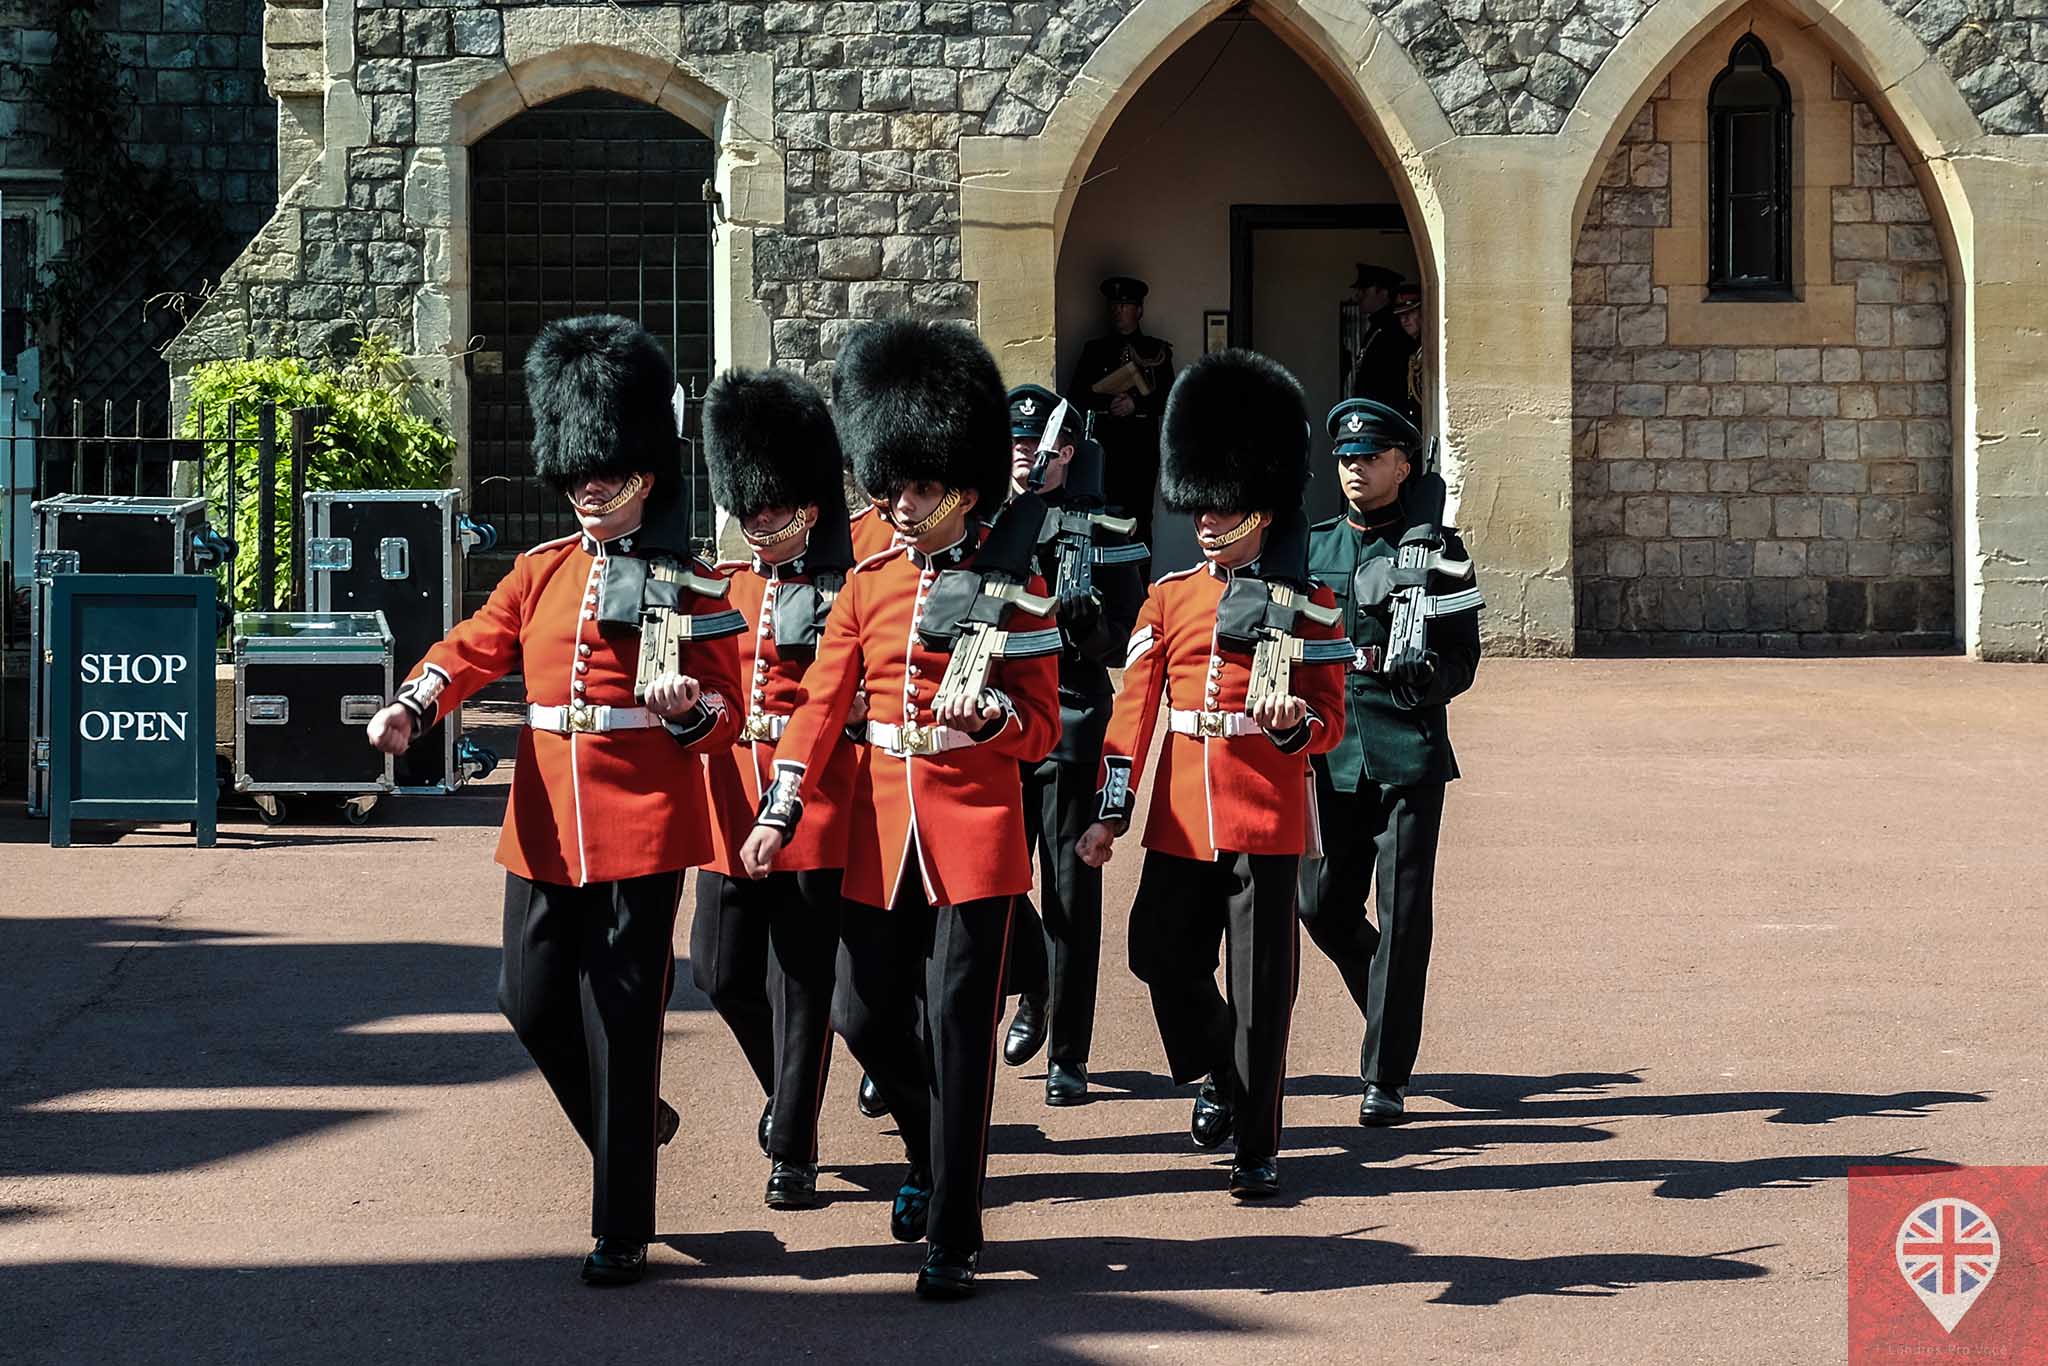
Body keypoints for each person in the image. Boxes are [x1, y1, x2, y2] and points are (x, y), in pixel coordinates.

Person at [365, 314, 744, 1286]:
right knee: (527, 1001)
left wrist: (692, 709)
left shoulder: (687, 581)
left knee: (622, 1020)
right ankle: (638, 1124)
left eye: (604, 473)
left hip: (645, 822)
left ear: (642, 478)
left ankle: (621, 1224)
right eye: (577, 473)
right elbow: (473, 648)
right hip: (541, 825)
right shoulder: (538, 573)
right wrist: (416, 699)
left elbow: (728, 709)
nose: (586, 488)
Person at [737, 319, 1061, 1301]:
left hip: (974, 836)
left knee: (960, 1033)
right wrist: (779, 808)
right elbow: (817, 708)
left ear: (964, 488)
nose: (904, 506)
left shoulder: (1019, 589)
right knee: (860, 1010)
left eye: (923, 489)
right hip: (879, 836)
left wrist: (995, 710)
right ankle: (928, 1154)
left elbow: (1043, 731)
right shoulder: (868, 586)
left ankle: (955, 1233)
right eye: (895, 489)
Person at [1076, 349, 1349, 1201]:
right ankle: (1218, 1075)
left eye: (1221, 506)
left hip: (1264, 813)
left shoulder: (1310, 604)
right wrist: (1112, 813)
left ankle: (1259, 1144)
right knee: (1157, 954)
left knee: (1264, 992)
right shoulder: (1169, 598)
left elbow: (1328, 719)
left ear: (1259, 510)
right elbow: (1134, 712)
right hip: (1181, 818)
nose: (1205, 519)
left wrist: (1296, 723)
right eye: (1199, 504)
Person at [693, 367, 862, 1208]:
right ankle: (786, 1090)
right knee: (720, 972)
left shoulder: (846, 588)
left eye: (772, 504)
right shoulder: (729, 585)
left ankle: (793, 1143)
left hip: (817, 801)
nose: (758, 520)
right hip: (732, 795)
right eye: (747, 505)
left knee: (799, 980)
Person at [1299, 398, 1482, 1127]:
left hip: (1406, 749)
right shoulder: (1310, 548)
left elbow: (1463, 657)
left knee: (1404, 918)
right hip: (1332, 753)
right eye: (1346, 458)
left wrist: (1426, 676)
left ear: (1404, 466)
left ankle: (1386, 1074)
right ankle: (1390, 997)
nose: (1354, 468)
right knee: (1320, 906)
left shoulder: (1441, 549)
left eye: (1370, 457)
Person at [997, 385, 1145, 1106]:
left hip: (1072, 714)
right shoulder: (982, 517)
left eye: (1041, 445)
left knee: (1069, 894)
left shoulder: (1110, 524)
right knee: (988, 881)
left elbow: (1122, 636)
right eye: (1018, 442)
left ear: (1068, 453)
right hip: (991, 725)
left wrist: (1085, 628)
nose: (1028, 454)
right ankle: (1032, 982)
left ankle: (1070, 1053)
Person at [1068, 276, 1174, 550]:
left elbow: (1169, 398)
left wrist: (1136, 405)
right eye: (1114, 305)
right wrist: (1108, 405)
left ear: (1139, 311)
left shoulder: (1156, 351)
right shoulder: (1094, 351)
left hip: (1140, 450)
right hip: (1105, 448)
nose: (1118, 311)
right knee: (1101, 520)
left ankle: (1139, 589)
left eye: (1125, 306)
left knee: (1140, 520)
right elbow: (1077, 396)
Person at [1348, 282, 1425, 433]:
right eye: (1401, 315)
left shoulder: (1425, 349)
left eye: (1410, 312)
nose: (1405, 320)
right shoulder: (1413, 347)